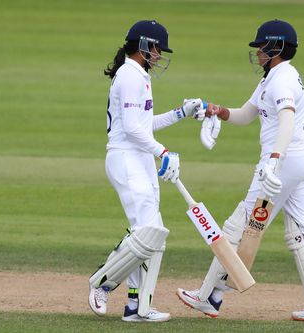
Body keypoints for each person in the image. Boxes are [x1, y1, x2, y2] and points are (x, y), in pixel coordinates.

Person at [176, 19, 304, 322]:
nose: (258, 53)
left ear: (275, 48)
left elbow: (287, 118)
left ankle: (210, 296)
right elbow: (244, 115)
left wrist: (274, 160)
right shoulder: (273, 78)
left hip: (282, 164)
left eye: (261, 48)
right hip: (299, 161)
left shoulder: (281, 80)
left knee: (241, 225)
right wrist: (216, 110)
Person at [87, 19, 205, 323]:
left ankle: (137, 307)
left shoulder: (138, 74)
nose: (160, 55)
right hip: (126, 159)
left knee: (153, 236)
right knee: (146, 233)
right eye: (156, 49)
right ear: (142, 46)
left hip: (139, 159)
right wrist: (163, 152)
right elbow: (130, 129)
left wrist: (181, 113)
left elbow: (143, 126)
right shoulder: (129, 75)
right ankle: (102, 282)